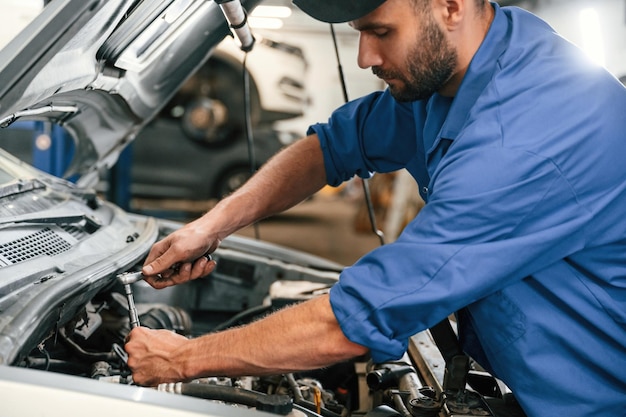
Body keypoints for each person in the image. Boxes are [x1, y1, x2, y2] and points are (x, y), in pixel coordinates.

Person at [124, 0, 626, 416]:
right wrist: (211, 227)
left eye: (380, 31)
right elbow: (334, 147)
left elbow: (351, 321)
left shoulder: (523, 138)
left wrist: (185, 358)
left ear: (450, 6)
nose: (365, 56)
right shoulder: (467, 67)